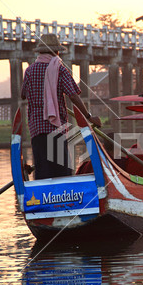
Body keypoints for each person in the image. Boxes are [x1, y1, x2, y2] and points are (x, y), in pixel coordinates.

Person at [21, 33, 101, 180]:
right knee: (62, 173)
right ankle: (63, 200)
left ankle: (43, 200)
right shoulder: (59, 68)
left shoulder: (30, 71)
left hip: (36, 130)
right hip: (56, 129)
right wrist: (89, 117)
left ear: (40, 51)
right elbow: (73, 95)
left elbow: (23, 95)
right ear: (55, 52)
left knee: (42, 172)